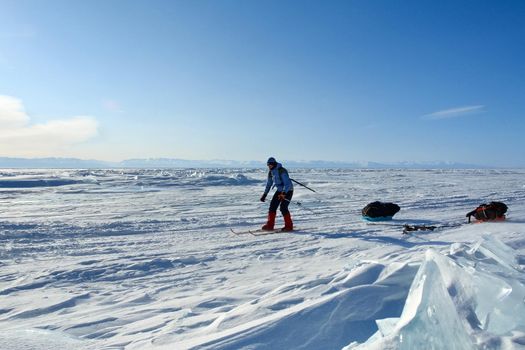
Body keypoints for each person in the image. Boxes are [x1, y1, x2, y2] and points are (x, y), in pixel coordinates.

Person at [260, 157, 294, 231]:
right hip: (279, 191)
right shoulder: (271, 172)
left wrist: (284, 193)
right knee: (272, 206)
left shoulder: (282, 171)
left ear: (274, 164)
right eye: (268, 165)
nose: (269, 167)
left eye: (270, 165)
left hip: (288, 190)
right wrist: (264, 194)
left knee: (283, 207)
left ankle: (289, 226)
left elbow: (287, 184)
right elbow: (269, 184)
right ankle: (270, 225)